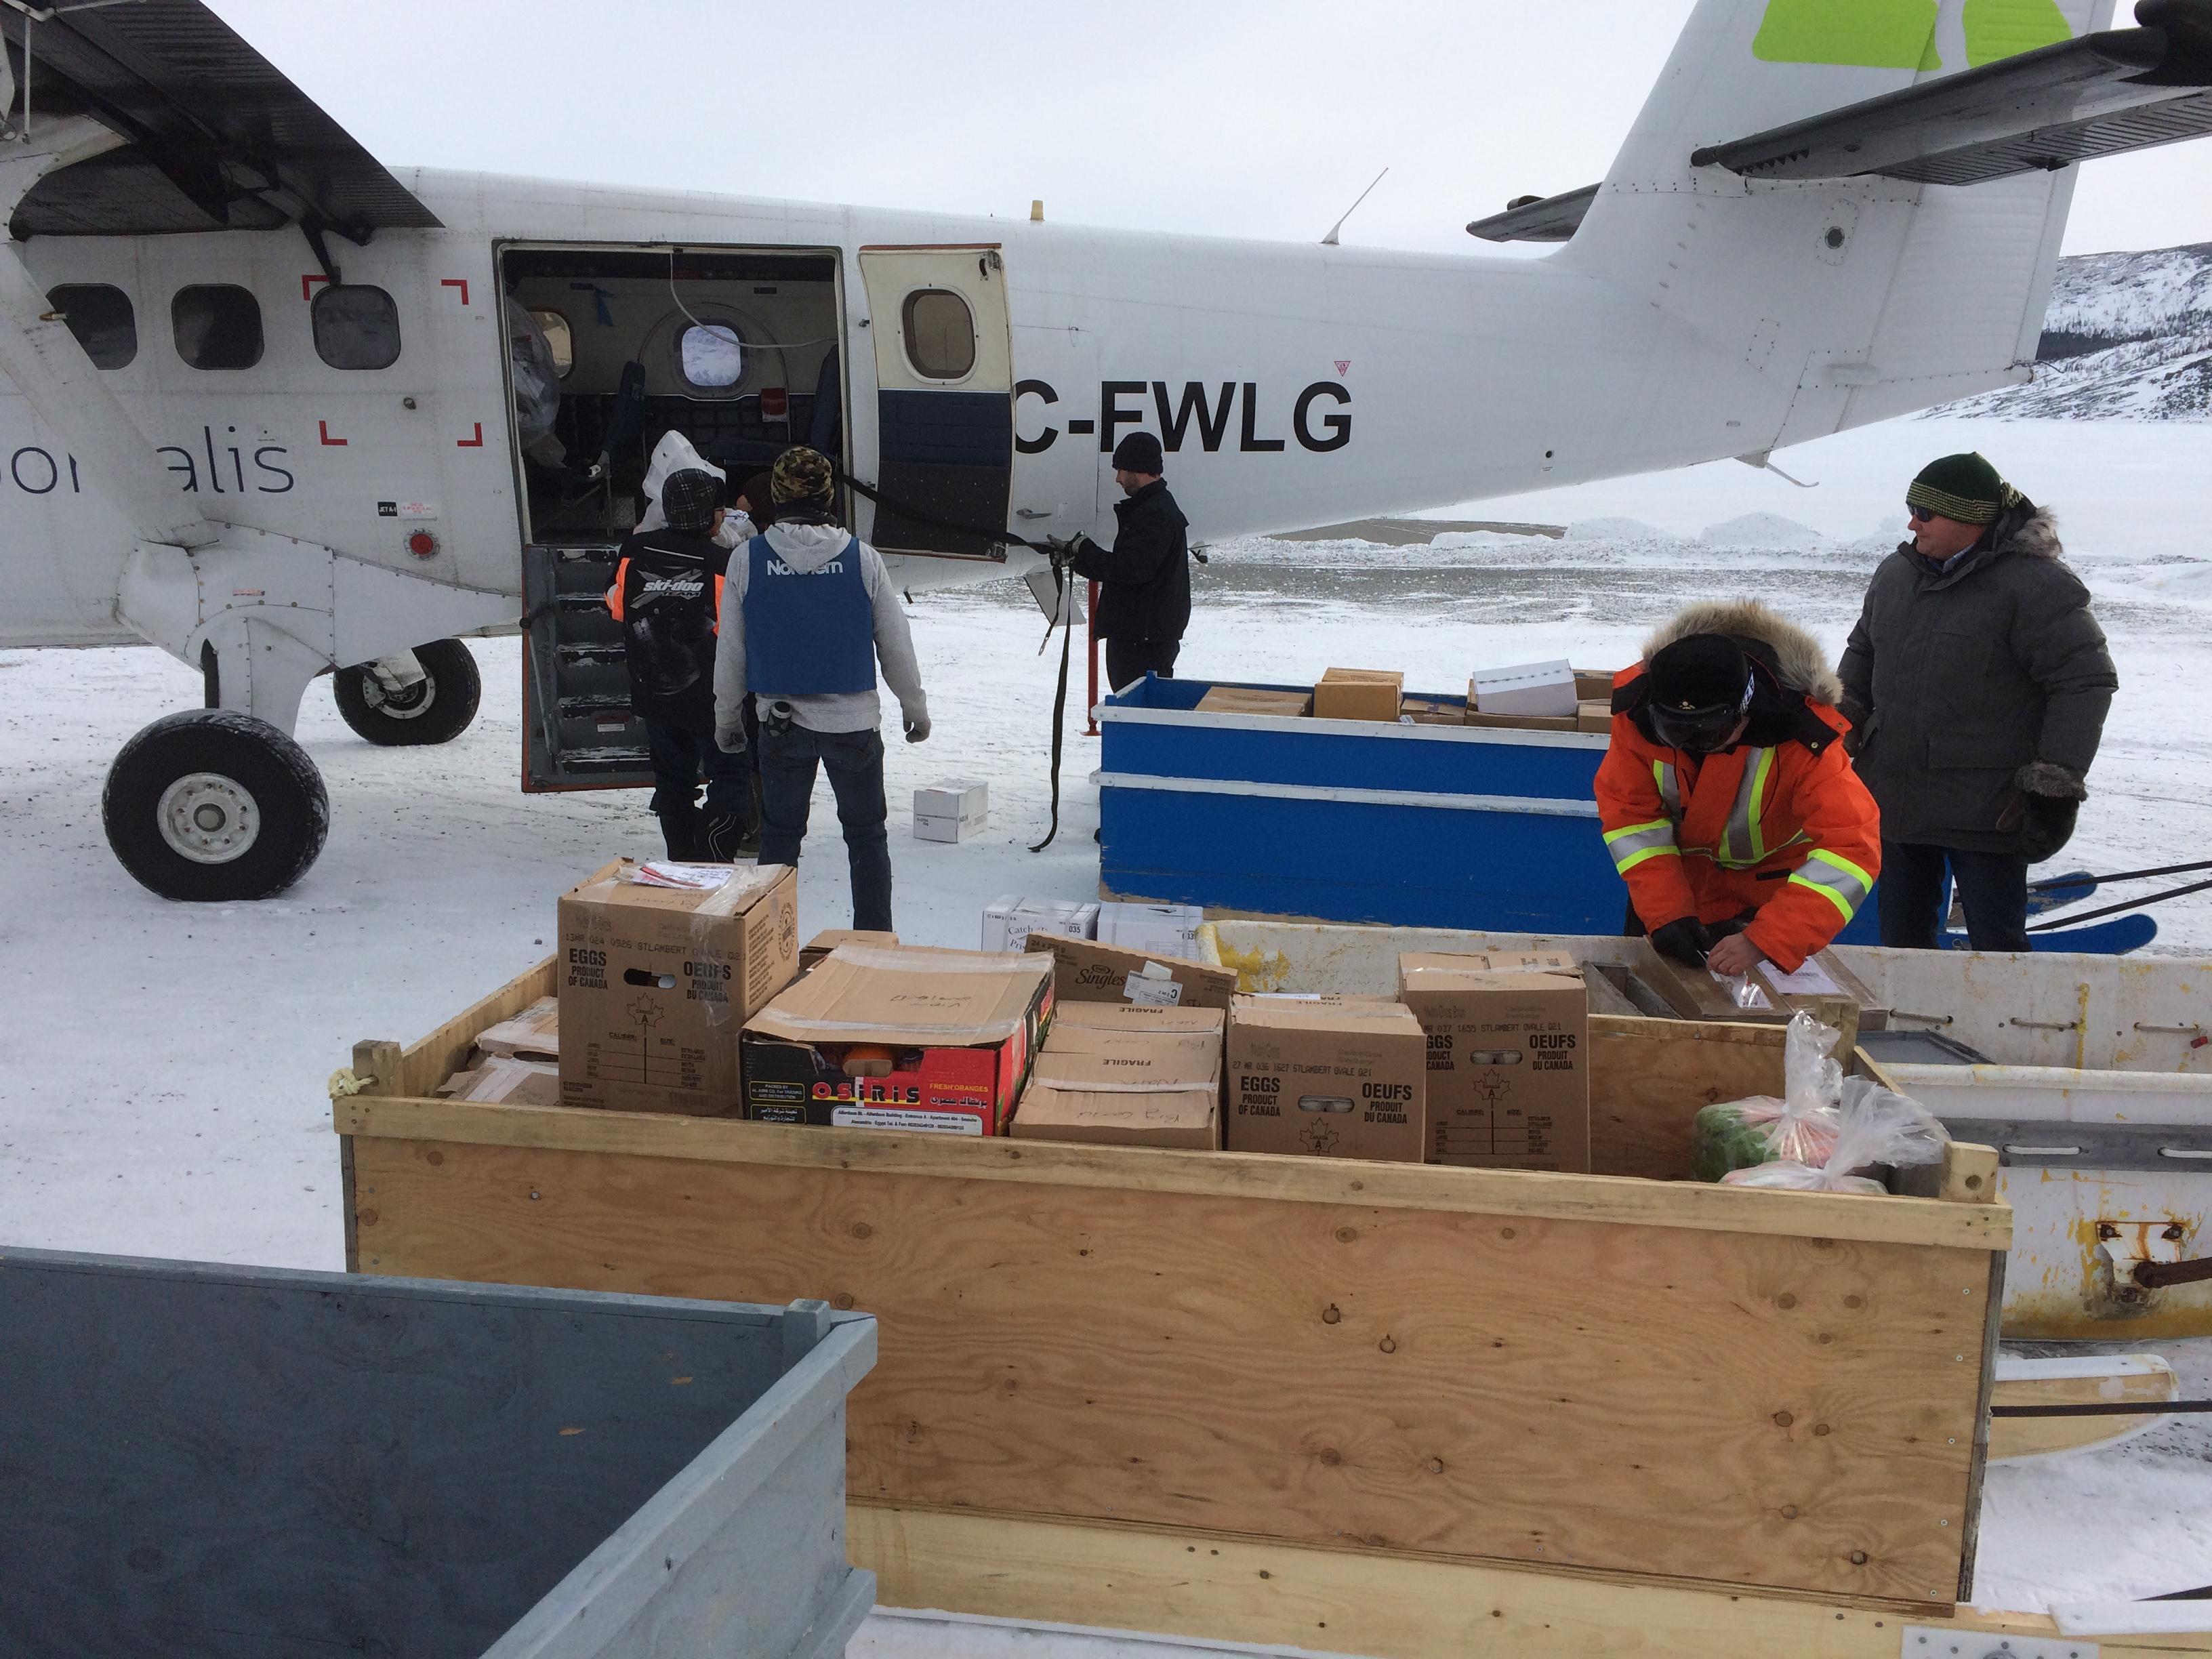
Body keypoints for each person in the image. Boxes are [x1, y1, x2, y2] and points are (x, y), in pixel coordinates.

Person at [1839, 454, 2117, 951]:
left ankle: (2003, 1031)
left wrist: (2055, 781)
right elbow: (1862, 655)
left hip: (1988, 813)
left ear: (1969, 518)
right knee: (1901, 949)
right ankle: (1909, 1029)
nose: (1911, 523)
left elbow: (2084, 681)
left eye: (1924, 512)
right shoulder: (1896, 575)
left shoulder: (2036, 587)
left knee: (1998, 953)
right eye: (1910, 508)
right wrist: (1837, 731)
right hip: (1895, 799)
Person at [1596, 600, 1882, 976]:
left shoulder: (1806, 738)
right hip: (1672, 894)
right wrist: (1665, 913)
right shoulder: (1636, 718)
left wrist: (1767, 938)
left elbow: (1852, 846)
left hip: (1768, 908)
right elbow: (1633, 821)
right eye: (1674, 731)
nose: (1690, 744)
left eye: (1708, 732)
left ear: (1745, 710)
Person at [714, 446, 929, 932]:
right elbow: (896, 645)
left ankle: (767, 943)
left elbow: (731, 654)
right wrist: (914, 707)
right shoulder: (863, 561)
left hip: (781, 725)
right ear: (830, 497)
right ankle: (872, 943)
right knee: (867, 837)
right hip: (853, 725)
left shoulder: (747, 561)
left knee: (780, 839)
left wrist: (727, 719)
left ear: (776, 496)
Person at [607, 468, 756, 861]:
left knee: (673, 780)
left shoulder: (634, 551)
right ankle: (713, 860)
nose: (723, 517)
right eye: (719, 511)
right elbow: (742, 629)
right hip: (714, 701)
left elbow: (616, 604)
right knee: (729, 777)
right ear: (709, 515)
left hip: (655, 695)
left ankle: (681, 857)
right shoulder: (725, 563)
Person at [1059, 431, 1191, 690]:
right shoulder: (1152, 509)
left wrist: (1083, 550)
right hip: (1141, 638)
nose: (1118, 479)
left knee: (1140, 715)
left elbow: (1129, 570)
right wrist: (1077, 558)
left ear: (1139, 469)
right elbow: (1128, 570)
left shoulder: (1155, 515)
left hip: (1142, 642)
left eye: (1121, 470)